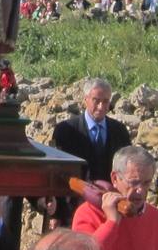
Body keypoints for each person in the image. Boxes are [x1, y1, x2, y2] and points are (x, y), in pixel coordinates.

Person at [50, 78, 131, 226]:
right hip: (73, 210)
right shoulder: (66, 130)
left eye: (105, 101)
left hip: (109, 210)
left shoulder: (120, 131)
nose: (101, 106)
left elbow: (126, 170)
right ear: (85, 100)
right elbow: (58, 172)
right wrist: (56, 214)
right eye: (96, 100)